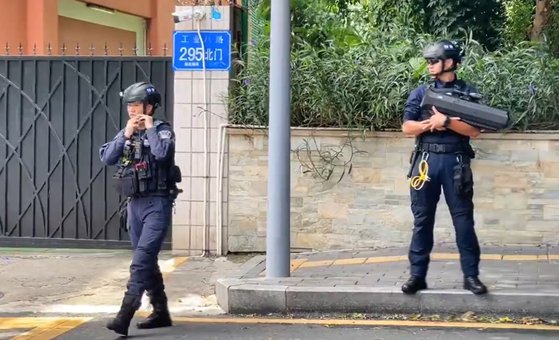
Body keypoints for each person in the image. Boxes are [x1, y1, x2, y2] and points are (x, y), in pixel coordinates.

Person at [400, 40, 488, 295]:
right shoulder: (420, 92)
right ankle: (417, 276)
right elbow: (407, 127)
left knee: (463, 221)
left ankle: (471, 277)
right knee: (422, 220)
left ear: (449, 63)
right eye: (428, 61)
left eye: (433, 61)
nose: (429, 66)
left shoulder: (468, 92)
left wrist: (447, 121)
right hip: (425, 162)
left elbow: (474, 131)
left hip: (456, 163)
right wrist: (431, 124)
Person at [99, 82, 181, 336]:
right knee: (147, 261)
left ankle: (124, 315)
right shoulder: (127, 132)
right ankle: (161, 312)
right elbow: (107, 158)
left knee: (140, 260)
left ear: (149, 107)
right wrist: (125, 134)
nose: (133, 111)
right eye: (130, 106)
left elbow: (162, 155)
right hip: (134, 204)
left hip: (157, 203)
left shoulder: (163, 131)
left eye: (136, 106)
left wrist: (150, 129)